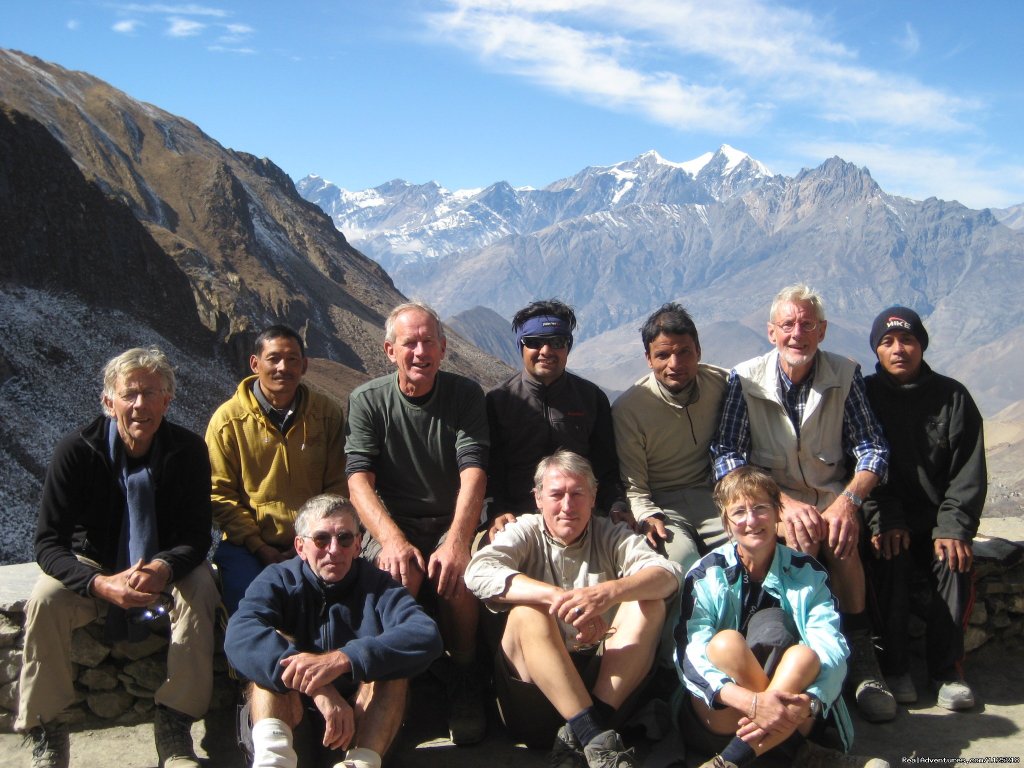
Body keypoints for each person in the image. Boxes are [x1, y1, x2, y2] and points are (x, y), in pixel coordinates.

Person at [16, 347, 219, 768]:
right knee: (46, 601)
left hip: (164, 563)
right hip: (95, 564)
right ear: (109, 401)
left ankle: (174, 726)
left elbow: (197, 537)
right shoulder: (77, 451)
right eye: (129, 394)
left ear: (168, 400)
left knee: (200, 588)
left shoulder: (187, 452)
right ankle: (47, 727)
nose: (140, 405)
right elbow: (48, 542)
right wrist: (98, 583)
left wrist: (164, 567)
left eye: (151, 393)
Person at [710, 284, 896, 723]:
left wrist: (849, 501)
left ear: (823, 331)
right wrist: (780, 504)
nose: (798, 333)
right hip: (769, 501)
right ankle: (792, 664)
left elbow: (873, 449)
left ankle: (862, 658)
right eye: (788, 325)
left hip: (831, 498)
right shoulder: (745, 378)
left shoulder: (844, 377)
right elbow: (726, 455)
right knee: (795, 547)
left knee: (843, 543)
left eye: (807, 324)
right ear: (771, 331)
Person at [465, 450, 682, 768]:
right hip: (533, 704)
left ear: (594, 497)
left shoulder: (611, 534)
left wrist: (608, 593)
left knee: (647, 602)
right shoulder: (525, 530)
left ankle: (585, 733)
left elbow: (668, 575)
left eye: (577, 494)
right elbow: (478, 572)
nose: (567, 506)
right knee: (528, 612)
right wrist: (555, 598)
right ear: (538, 498)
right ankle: (594, 735)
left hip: (604, 694)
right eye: (556, 495)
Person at [344, 301, 489, 744]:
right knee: (396, 573)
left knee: (459, 574)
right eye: (410, 342)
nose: (420, 351)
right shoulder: (367, 401)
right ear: (391, 350)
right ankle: (389, 682)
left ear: (444, 350)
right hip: (396, 522)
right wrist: (389, 539)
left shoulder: (466, 396)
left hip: (450, 518)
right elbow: (358, 482)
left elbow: (474, 472)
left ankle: (465, 677)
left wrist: (458, 541)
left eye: (429, 342)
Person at [677, 466, 889, 768]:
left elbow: (831, 647)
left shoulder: (807, 572)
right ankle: (803, 752)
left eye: (761, 508)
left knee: (804, 656)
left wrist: (812, 700)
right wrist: (753, 703)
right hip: (722, 712)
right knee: (726, 644)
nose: (751, 521)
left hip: (795, 711)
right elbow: (690, 654)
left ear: (779, 513)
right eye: (739, 512)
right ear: (726, 522)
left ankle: (730, 761)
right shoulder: (705, 575)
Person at [224, 494, 443, 768]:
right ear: (300, 546)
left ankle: (361, 763)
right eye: (321, 539)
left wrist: (342, 660)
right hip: (293, 719)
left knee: (393, 670)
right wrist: (320, 688)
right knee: (271, 655)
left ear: (358, 545)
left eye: (344, 539)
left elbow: (425, 635)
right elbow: (240, 635)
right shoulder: (277, 580)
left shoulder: (380, 586)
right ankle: (273, 760)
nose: (334, 550)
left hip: (358, 727)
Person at [862, 307, 986, 711]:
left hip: (937, 522)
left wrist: (954, 527)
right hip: (889, 519)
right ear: (876, 350)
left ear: (922, 345)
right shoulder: (861, 397)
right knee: (887, 557)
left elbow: (967, 473)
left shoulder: (953, 398)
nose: (899, 349)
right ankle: (894, 668)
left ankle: (946, 672)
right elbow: (857, 466)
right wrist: (884, 518)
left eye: (908, 340)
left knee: (954, 563)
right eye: (887, 341)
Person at [207, 324, 347, 614]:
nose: (283, 367)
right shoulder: (228, 421)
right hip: (248, 545)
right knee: (250, 610)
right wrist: (259, 546)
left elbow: (337, 484)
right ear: (255, 364)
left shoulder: (327, 415)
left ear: (304, 365)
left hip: (316, 540)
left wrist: (314, 538)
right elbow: (219, 494)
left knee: (336, 607)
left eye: (293, 359)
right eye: (274, 359)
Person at [485, 299, 629, 534]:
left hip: (580, 517)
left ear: (568, 347)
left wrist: (616, 504)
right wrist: (497, 512)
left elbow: (606, 465)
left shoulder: (591, 398)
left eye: (557, 342)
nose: (546, 351)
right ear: (520, 346)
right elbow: (491, 468)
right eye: (534, 342)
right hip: (516, 521)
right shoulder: (498, 401)